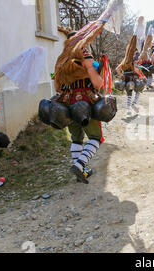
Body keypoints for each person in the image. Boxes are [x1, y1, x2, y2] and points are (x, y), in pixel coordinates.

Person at [55, 31, 104, 184]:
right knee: (95, 137)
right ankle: (79, 165)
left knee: (76, 138)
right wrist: (89, 67)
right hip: (86, 103)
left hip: (68, 104)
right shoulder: (87, 59)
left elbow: (57, 88)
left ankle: (80, 173)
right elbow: (97, 84)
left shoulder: (61, 62)